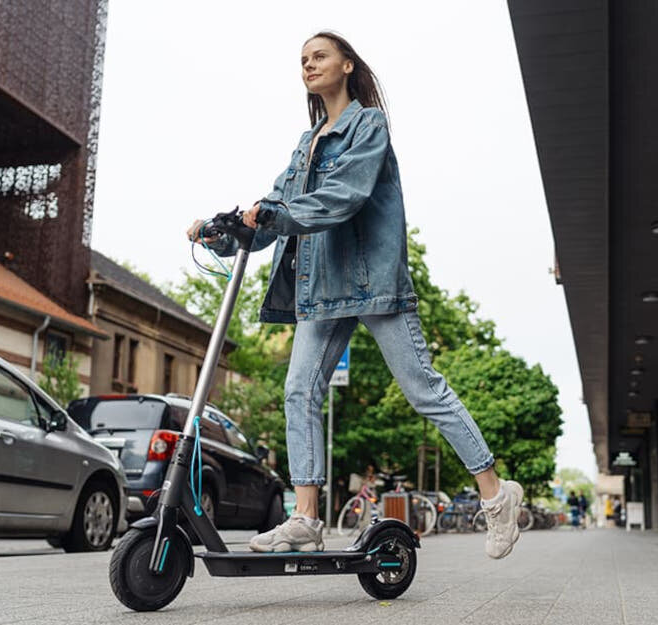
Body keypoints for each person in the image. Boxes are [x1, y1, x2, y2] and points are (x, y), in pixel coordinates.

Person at [187, 31, 522, 559]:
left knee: (424, 391)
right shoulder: (306, 142)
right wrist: (221, 232)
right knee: (299, 390)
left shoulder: (369, 124)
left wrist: (276, 212)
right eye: (302, 60)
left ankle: (496, 494)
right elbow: (274, 209)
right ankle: (305, 517)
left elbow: (343, 195)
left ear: (346, 65)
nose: (309, 65)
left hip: (372, 284)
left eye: (319, 56)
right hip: (322, 290)